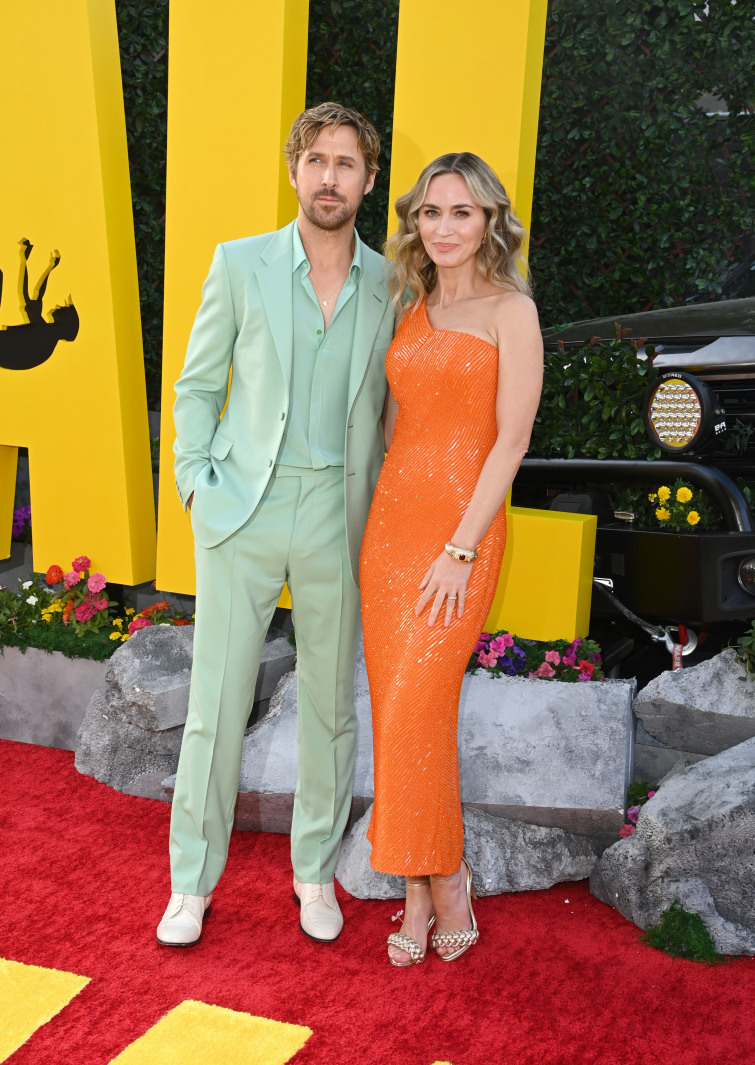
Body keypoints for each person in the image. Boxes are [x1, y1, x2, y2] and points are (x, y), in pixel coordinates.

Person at [157, 102, 395, 947]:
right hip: (243, 510)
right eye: (317, 160)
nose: (330, 177)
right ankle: (190, 882)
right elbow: (193, 385)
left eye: (348, 163)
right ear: (294, 170)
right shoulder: (241, 263)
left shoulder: (391, 282)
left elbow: (395, 410)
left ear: (369, 179)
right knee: (216, 703)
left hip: (338, 513)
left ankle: (312, 874)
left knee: (331, 707)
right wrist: (195, 484)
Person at [360, 152, 544, 965]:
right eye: (431, 212)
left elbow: (510, 443)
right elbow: (400, 429)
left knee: (421, 708)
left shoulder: (513, 311)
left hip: (461, 538)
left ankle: (449, 879)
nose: (443, 227)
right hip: (391, 536)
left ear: (489, 222)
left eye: (461, 213)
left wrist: (461, 548)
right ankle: (417, 887)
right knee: (397, 715)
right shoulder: (412, 301)